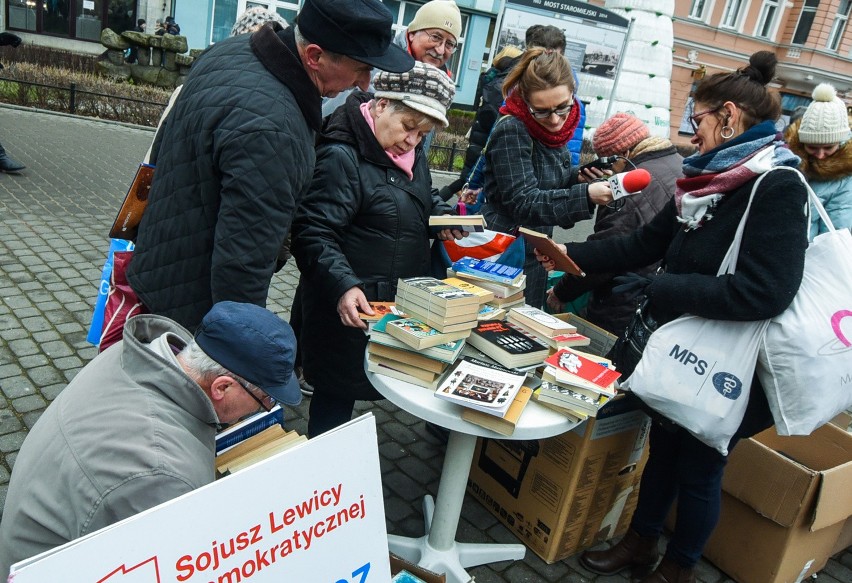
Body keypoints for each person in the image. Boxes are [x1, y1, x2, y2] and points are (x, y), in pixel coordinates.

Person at [538, 51, 808, 583]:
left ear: (728, 117)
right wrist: (565, 256)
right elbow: (644, 242)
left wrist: (662, 287)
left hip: (729, 361)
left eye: (698, 119)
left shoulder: (775, 185)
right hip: (682, 343)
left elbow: (766, 291)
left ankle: (679, 569)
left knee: (700, 468)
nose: (692, 131)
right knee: (661, 445)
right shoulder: (705, 179)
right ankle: (640, 542)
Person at [106, 0, 413, 350]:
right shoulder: (274, 128)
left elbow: (163, 153)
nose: (364, 83)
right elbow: (243, 263)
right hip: (193, 310)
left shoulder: (230, 51)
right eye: (360, 68)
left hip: (159, 265)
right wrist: (239, 354)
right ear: (314, 56)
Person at [0, 301, 302, 573]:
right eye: (264, 399)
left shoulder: (131, 355)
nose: (263, 409)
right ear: (221, 388)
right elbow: (173, 566)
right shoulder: (163, 473)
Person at [291, 61, 460, 437]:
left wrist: (444, 215)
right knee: (334, 402)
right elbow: (313, 231)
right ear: (382, 104)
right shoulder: (341, 156)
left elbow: (424, 195)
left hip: (394, 305)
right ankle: (322, 482)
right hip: (350, 308)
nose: (413, 141)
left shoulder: (408, 154)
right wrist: (342, 285)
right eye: (408, 127)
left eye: (423, 133)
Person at [479, 47, 612, 309]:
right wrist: (585, 195)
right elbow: (524, 202)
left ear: (573, 94)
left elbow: (547, 183)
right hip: (505, 250)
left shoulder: (555, 130)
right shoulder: (513, 129)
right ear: (526, 103)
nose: (554, 119)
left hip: (533, 250)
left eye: (562, 107)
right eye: (542, 110)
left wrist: (578, 179)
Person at [547, 113, 682, 338]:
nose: (611, 170)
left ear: (625, 154)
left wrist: (562, 292)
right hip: (661, 299)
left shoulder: (628, 186)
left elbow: (606, 253)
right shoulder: (677, 163)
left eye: (610, 161)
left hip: (625, 301)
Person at [784, 82, 852, 239]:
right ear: (801, 142)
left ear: (840, 143)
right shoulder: (786, 158)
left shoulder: (846, 176)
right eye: (812, 147)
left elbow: (835, 231)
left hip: (807, 256)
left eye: (828, 147)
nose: (820, 154)